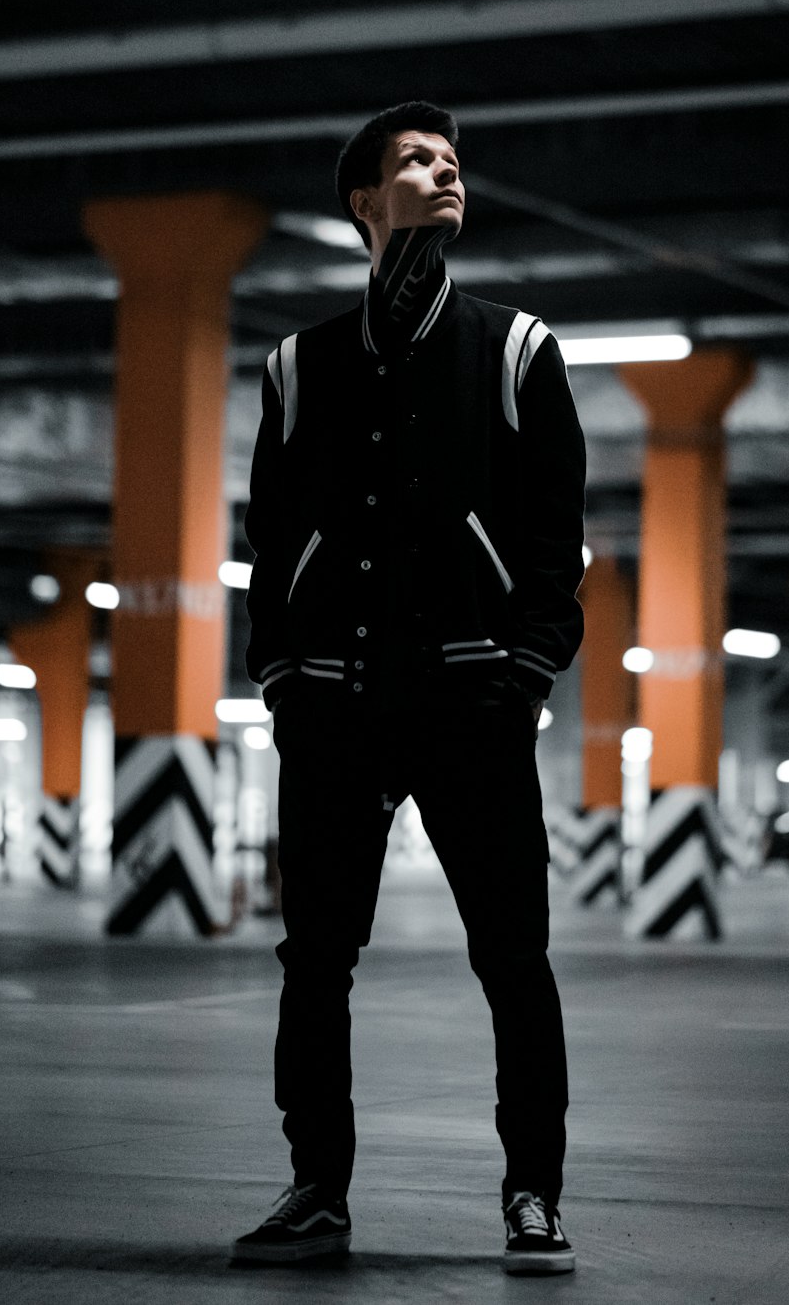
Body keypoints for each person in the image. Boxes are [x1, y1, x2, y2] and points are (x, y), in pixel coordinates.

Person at [230, 102, 586, 1275]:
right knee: (315, 961)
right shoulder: (298, 366)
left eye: (453, 164)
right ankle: (315, 1188)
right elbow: (270, 543)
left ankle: (532, 1191)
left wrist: (528, 665)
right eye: (415, 164)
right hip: (333, 706)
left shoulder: (519, 349)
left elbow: (555, 540)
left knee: (514, 958)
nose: (444, 177)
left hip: (474, 703)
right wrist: (280, 675)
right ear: (363, 204)